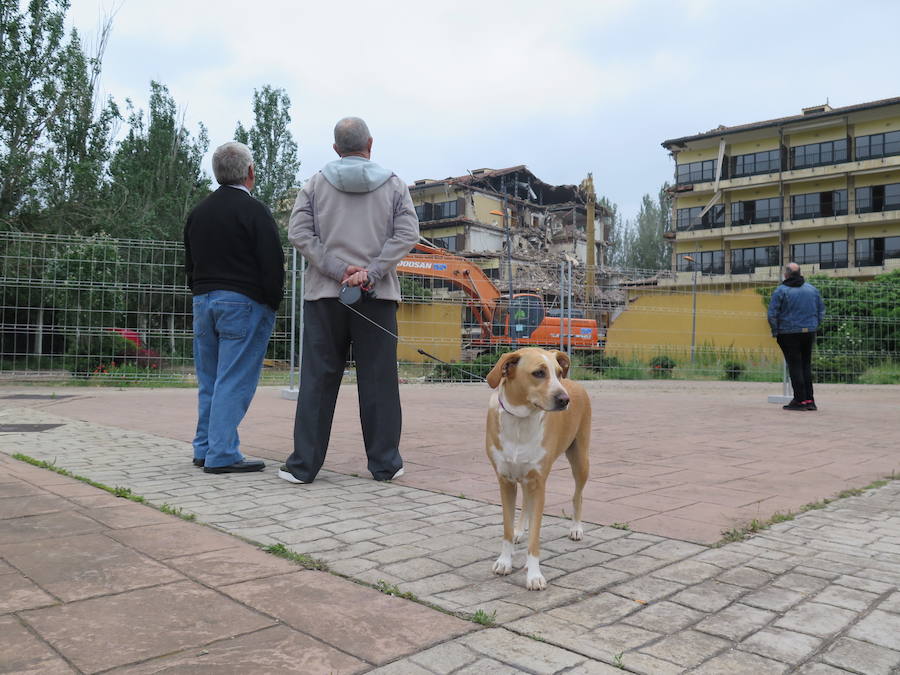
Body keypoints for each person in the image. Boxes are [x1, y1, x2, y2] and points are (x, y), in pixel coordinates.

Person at [279, 117, 419, 484]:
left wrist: (339, 269)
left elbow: (299, 233)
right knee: (379, 381)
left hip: (326, 296)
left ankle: (303, 466)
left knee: (318, 380)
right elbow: (408, 233)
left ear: (336, 149)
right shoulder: (394, 185)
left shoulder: (315, 184)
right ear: (370, 144)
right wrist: (370, 273)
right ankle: (385, 464)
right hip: (377, 297)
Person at [184, 141, 285, 473]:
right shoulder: (254, 211)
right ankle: (223, 453)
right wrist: (271, 303)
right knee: (234, 379)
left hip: (203, 300)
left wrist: (200, 293)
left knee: (210, 379)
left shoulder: (198, 212)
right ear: (250, 172)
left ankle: (204, 448)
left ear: (216, 173)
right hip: (243, 302)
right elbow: (272, 261)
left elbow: (190, 262)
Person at [768, 262, 825, 411]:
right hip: (809, 332)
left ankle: (799, 400)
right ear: (799, 273)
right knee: (806, 365)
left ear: (786, 274)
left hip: (788, 333)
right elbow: (821, 311)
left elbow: (772, 314)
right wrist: (813, 326)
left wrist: (776, 332)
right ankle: (809, 400)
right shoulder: (812, 289)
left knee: (795, 366)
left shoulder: (781, 290)